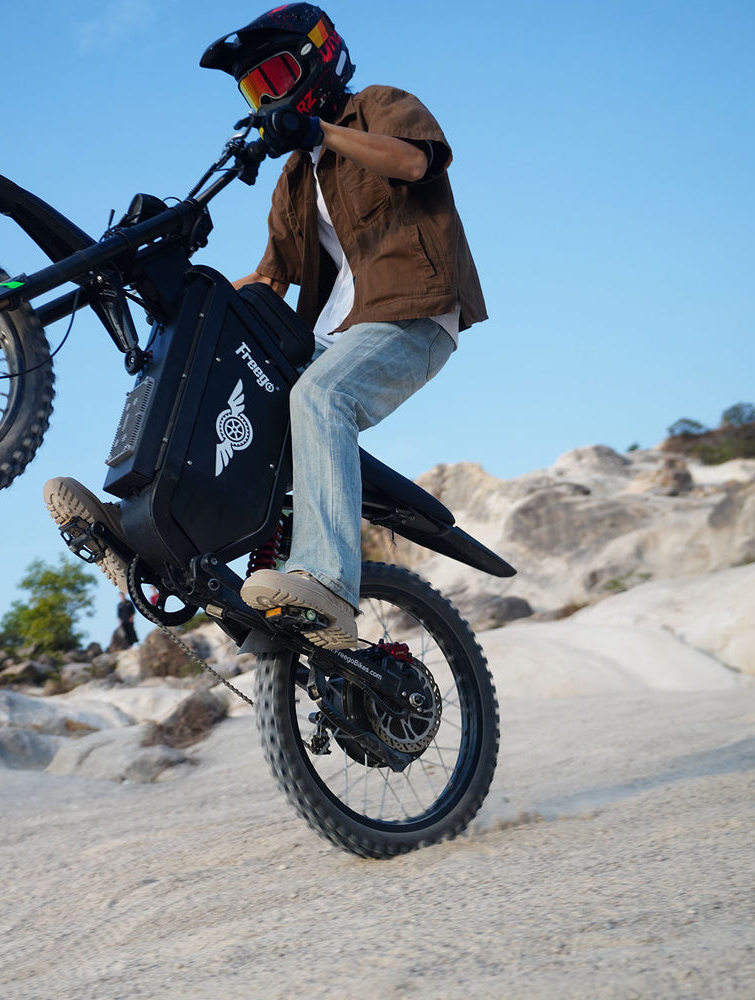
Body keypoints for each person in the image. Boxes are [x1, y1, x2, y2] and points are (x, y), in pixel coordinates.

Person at [47, 3, 485, 651]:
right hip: (327, 338)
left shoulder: (377, 105)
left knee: (320, 397)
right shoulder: (291, 182)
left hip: (412, 313)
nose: (267, 96)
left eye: (276, 76)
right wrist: (175, 281)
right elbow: (266, 282)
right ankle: (152, 532)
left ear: (318, 58)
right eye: (254, 88)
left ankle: (328, 580)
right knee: (211, 351)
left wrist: (318, 131)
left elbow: (415, 162)